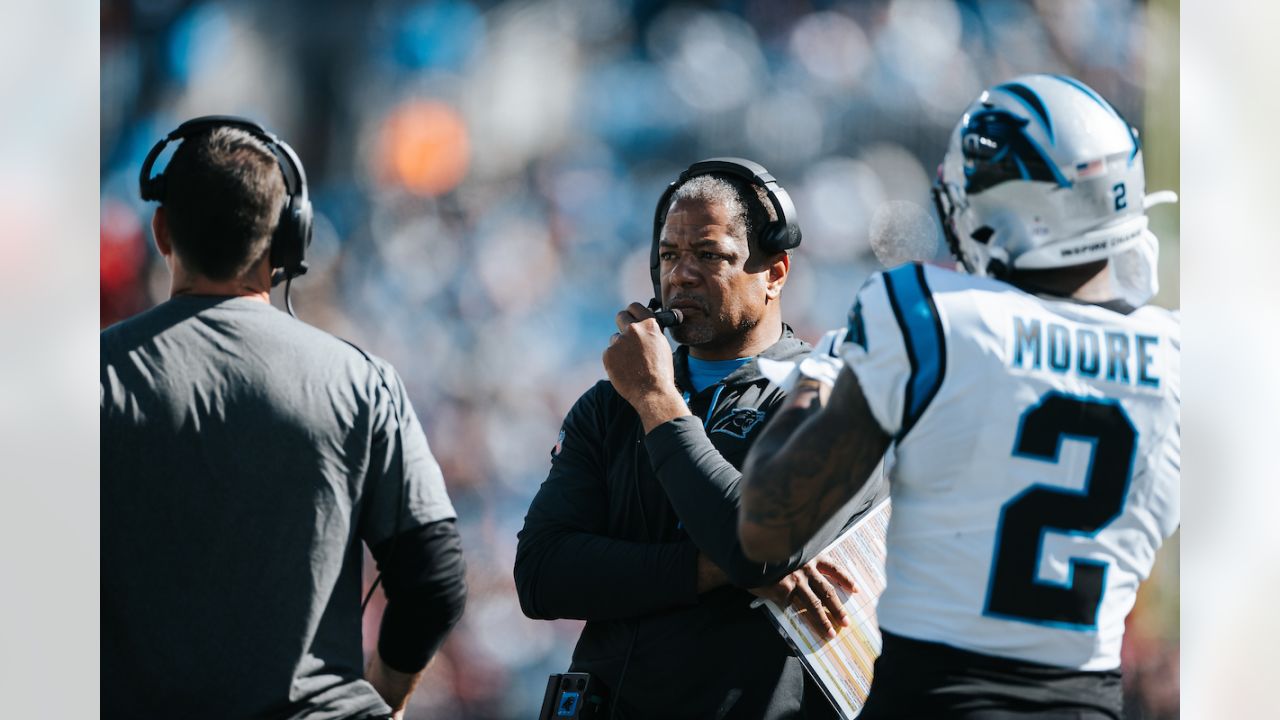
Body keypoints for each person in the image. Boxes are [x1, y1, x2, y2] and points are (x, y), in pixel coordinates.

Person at [737, 74, 1180, 720]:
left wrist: (820, 378)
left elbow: (767, 526)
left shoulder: (930, 317)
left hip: (935, 701)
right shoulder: (1178, 361)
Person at [101, 117, 466, 720]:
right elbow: (435, 583)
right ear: (287, 241)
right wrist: (381, 699)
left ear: (161, 230)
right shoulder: (362, 383)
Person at [515, 158, 885, 719]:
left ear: (775, 273)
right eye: (669, 255)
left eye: (709, 255)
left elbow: (753, 549)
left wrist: (660, 404)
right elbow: (542, 575)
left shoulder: (834, 393)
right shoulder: (612, 403)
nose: (680, 275)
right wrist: (712, 570)